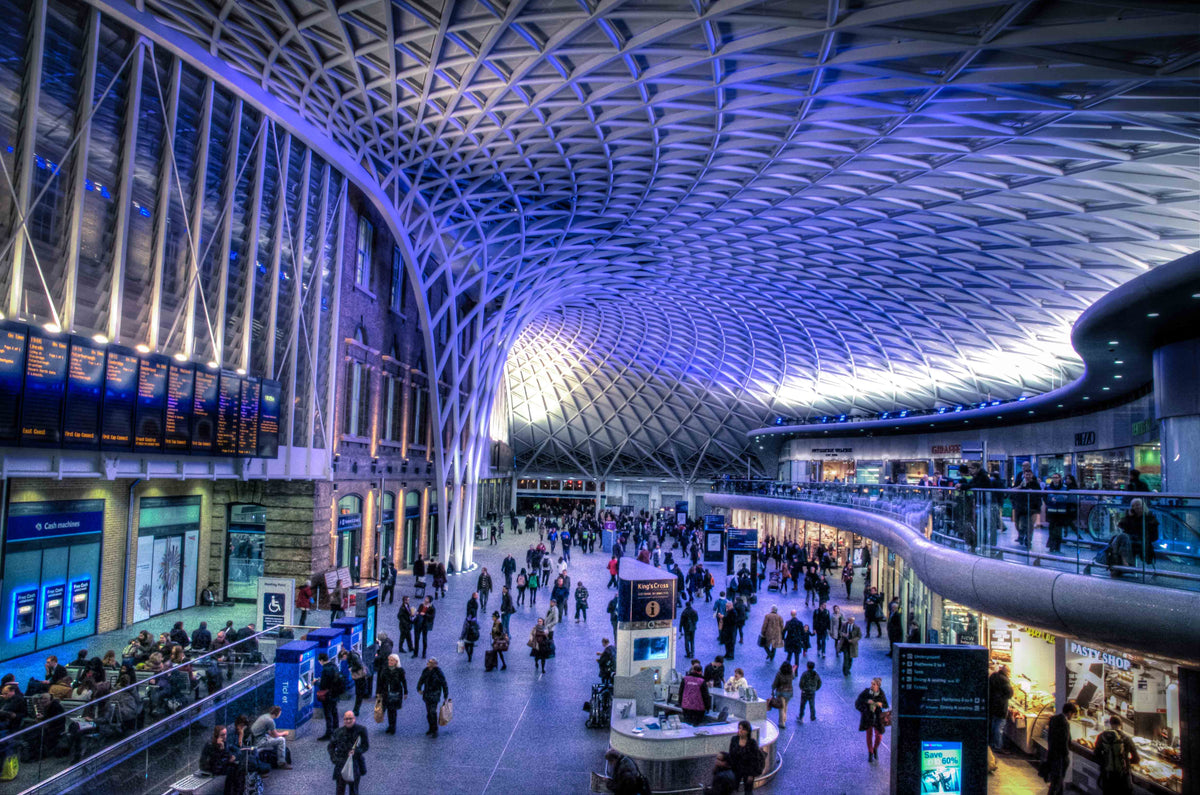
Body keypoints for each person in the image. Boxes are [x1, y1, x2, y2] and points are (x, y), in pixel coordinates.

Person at [1095, 715, 1139, 795]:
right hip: (1123, 777)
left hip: (1107, 776)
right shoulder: (1127, 738)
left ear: (1111, 724)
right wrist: (1126, 761)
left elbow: (1096, 754)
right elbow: (1136, 759)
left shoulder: (1102, 736)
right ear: (1121, 725)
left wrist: (1107, 762)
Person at [1040, 702, 1078, 795]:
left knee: (1056, 780)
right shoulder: (1064, 723)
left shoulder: (1054, 719)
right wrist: (1066, 755)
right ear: (1069, 713)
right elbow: (1064, 740)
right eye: (1073, 714)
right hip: (1060, 756)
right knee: (1058, 779)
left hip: (1052, 752)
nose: (1072, 717)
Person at [329, 710, 369, 795]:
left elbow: (365, 746)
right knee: (340, 789)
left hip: (355, 763)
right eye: (346, 719)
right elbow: (330, 747)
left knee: (354, 790)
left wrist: (356, 751)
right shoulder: (338, 732)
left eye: (350, 718)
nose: (348, 721)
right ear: (343, 720)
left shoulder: (361, 730)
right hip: (341, 763)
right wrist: (334, 759)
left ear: (354, 719)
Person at [856, 677, 889, 762]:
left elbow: (886, 704)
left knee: (879, 735)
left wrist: (880, 704)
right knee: (869, 734)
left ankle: (875, 748)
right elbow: (858, 702)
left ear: (878, 685)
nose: (871, 685)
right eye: (871, 683)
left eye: (873, 684)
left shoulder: (881, 694)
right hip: (868, 716)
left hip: (878, 717)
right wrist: (867, 702)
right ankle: (870, 752)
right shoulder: (866, 692)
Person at [728, 719, 763, 794]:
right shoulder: (734, 739)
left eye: (743, 729)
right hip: (736, 769)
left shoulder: (752, 742)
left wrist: (751, 774)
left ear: (747, 731)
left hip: (748, 770)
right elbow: (731, 754)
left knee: (748, 790)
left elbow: (754, 759)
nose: (740, 730)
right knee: (733, 789)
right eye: (739, 728)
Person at [416, 657, 449, 737]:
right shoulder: (425, 671)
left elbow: (444, 683)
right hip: (427, 694)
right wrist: (419, 688)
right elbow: (421, 680)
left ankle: (435, 730)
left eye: (431, 663)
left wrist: (445, 694)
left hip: (435, 694)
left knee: (432, 712)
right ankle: (431, 728)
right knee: (428, 713)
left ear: (435, 664)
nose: (429, 664)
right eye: (429, 662)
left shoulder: (438, 672)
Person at [376, 654, 408, 734]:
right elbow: (380, 682)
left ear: (396, 662)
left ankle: (393, 727)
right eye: (389, 660)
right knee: (388, 709)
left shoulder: (400, 671)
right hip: (386, 693)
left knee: (393, 710)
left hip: (396, 693)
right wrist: (378, 692)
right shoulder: (384, 670)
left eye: (391, 660)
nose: (389, 662)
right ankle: (390, 725)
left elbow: (403, 682)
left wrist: (405, 692)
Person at [316, 652, 343, 740]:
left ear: (321, 660)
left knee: (328, 714)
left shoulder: (325, 670)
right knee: (334, 712)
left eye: (319, 661)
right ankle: (336, 730)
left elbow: (323, 685)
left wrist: (315, 682)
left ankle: (328, 733)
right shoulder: (334, 666)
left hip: (328, 695)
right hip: (335, 693)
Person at [989, 664, 1013, 752]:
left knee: (994, 725)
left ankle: (992, 744)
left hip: (993, 704)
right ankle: (998, 746)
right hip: (1001, 706)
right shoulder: (1005, 680)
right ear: (1007, 672)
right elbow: (1010, 694)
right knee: (999, 727)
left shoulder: (993, 676)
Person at [770, 660, 794, 728]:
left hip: (781, 692)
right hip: (789, 692)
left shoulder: (779, 673)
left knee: (781, 707)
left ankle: (782, 722)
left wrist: (773, 688)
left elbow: (775, 683)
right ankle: (784, 718)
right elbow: (793, 677)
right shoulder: (791, 673)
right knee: (785, 706)